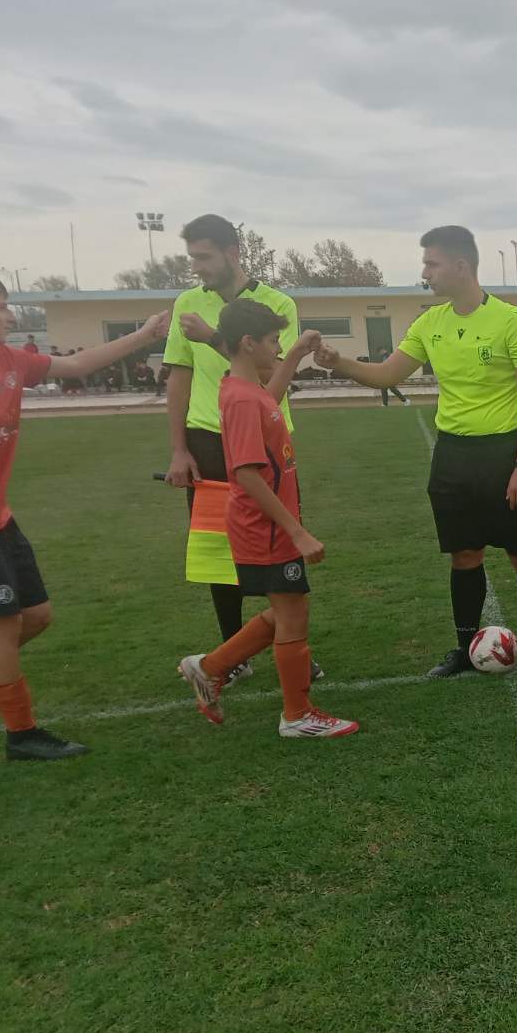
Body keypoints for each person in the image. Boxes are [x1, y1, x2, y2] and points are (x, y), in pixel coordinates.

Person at [0, 266, 168, 760]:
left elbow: (77, 364)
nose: (10, 316)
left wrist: (144, 336)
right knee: (2, 625)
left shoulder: (7, 359)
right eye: (1, 307)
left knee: (36, 617)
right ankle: (22, 736)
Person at [313, 225, 517, 681]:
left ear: (460, 266)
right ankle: (465, 649)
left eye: (432, 263)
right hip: (452, 457)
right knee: (463, 556)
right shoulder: (430, 323)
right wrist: (341, 363)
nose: (425, 272)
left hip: (503, 454)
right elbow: (388, 374)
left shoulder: (509, 320)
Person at [177, 301, 357, 738]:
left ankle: (211, 667)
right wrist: (297, 532)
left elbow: (270, 403)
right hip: (267, 528)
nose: (277, 347)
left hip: (270, 524)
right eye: (274, 341)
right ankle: (297, 715)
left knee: (287, 610)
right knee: (292, 614)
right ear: (248, 342)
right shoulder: (241, 398)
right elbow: (246, 474)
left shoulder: (247, 388)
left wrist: (294, 354)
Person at [160, 214, 306, 687]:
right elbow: (179, 376)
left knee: (276, 548)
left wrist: (213, 338)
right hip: (206, 438)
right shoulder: (187, 303)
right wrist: (179, 449)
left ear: (232, 252)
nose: (196, 267)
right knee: (218, 554)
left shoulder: (276, 302)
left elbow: (271, 375)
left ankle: (285, 641)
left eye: (203, 256)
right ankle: (232, 655)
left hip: (267, 433)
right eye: (192, 258)